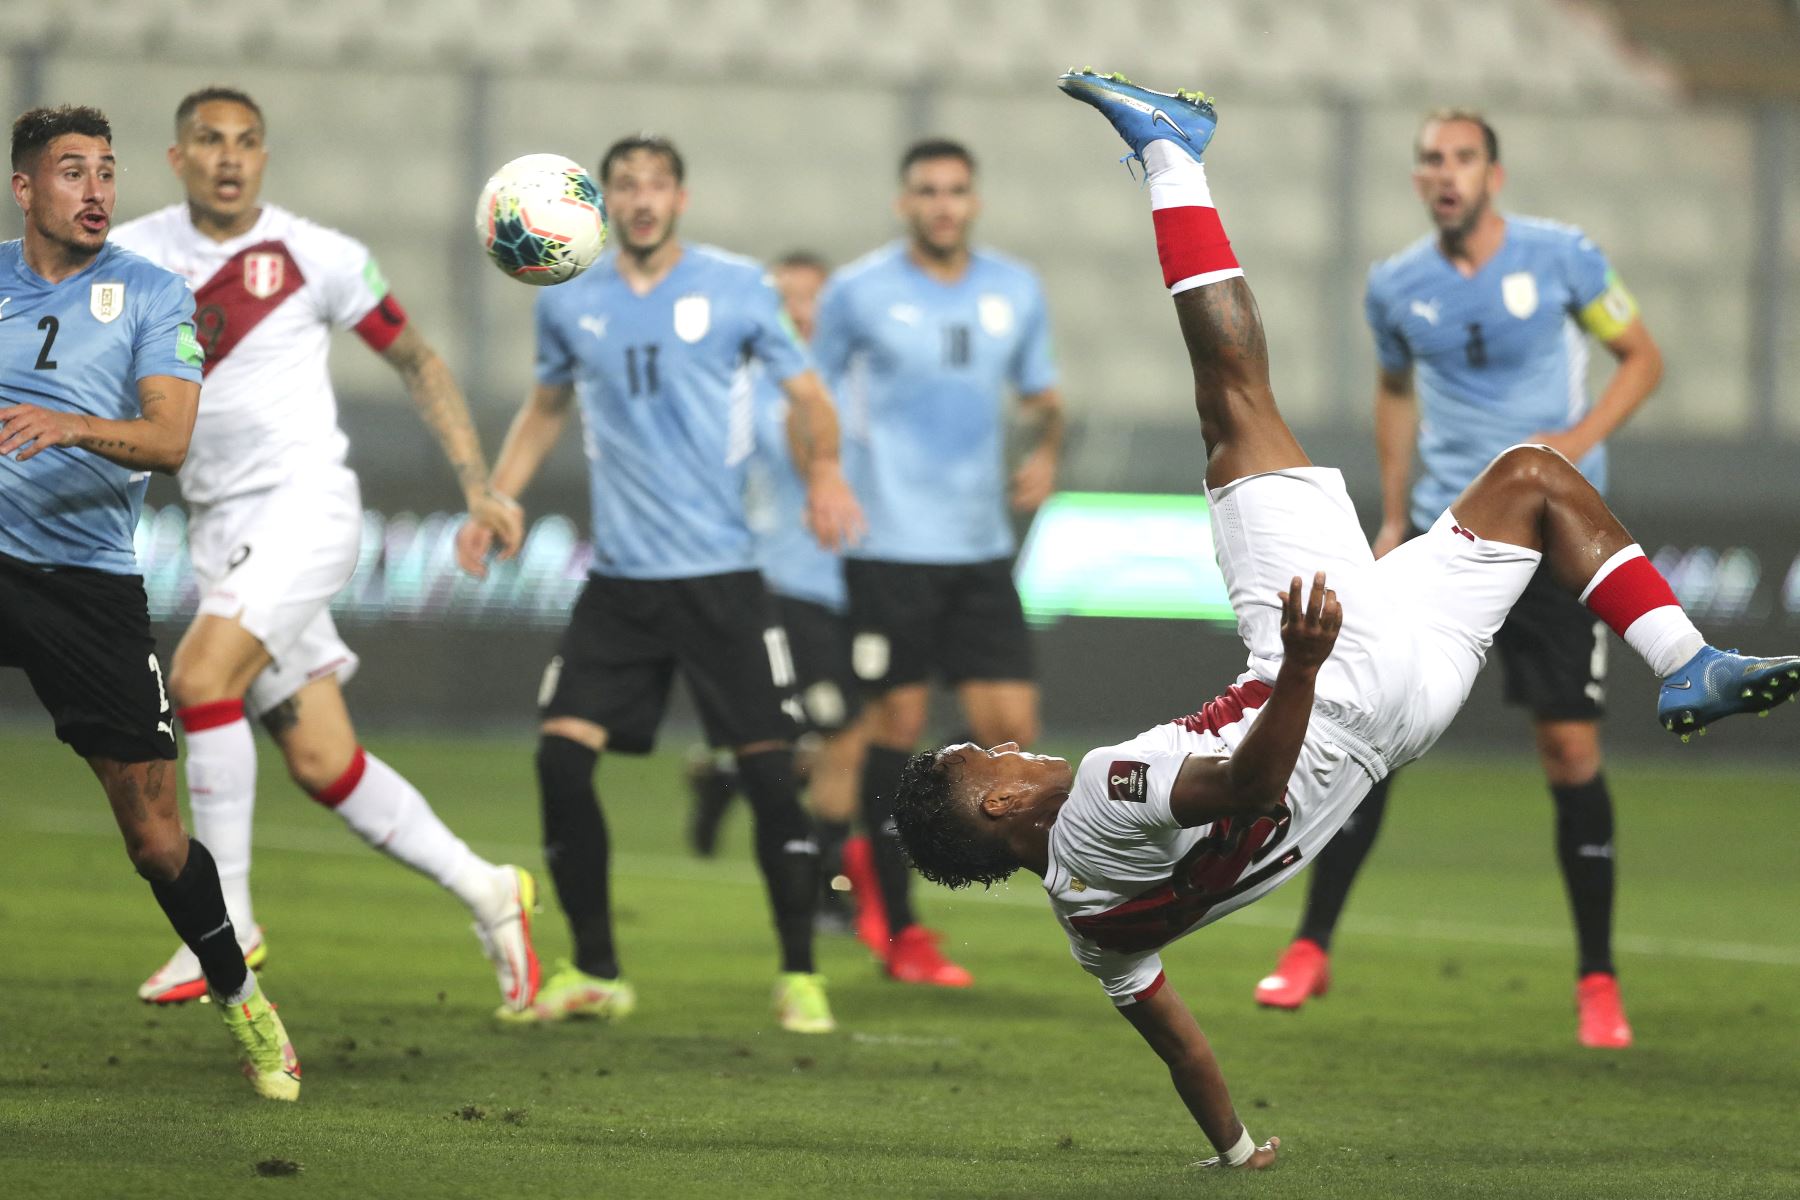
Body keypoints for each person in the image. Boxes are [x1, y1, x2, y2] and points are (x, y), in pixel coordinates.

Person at [891, 71, 1800, 1170]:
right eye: (984, 751)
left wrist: (1230, 1148)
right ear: (992, 796)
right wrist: (1309, 665)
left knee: (1533, 474)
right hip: (1329, 673)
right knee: (1234, 401)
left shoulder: (1089, 935)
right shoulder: (1096, 795)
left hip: (1401, 716)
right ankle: (1171, 155)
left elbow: (1178, 1044)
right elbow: (1244, 787)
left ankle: (1686, 659)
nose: (1008, 745)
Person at [110, 87, 540, 1016]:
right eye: (210, 142)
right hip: (225, 528)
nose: (230, 157)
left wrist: (476, 483)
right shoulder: (134, 255)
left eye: (248, 142)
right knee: (323, 761)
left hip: (306, 509)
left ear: (265, 158)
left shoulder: (321, 256)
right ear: (179, 157)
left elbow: (418, 360)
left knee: (199, 680)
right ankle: (490, 890)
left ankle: (226, 920)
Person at [1252, 108, 1665, 1049]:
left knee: (1568, 753)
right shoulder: (1396, 287)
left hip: (1558, 540)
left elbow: (1642, 357)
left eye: (1463, 158)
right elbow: (1394, 392)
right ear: (1417, 180)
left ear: (1495, 174)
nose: (1447, 174)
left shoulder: (1564, 258)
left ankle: (1597, 979)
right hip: (1448, 541)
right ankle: (1311, 945)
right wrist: (1393, 515)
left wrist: (1575, 447)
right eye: (1432, 160)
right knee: (1371, 731)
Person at [458, 135, 864, 1033]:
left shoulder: (737, 288)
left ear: (681, 197)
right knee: (560, 759)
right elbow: (547, 406)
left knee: (768, 779)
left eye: (657, 185)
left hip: (722, 581)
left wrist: (827, 472)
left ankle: (800, 972)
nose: (642, 200)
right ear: (601, 202)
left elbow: (811, 397)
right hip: (621, 587)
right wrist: (496, 497)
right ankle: (597, 969)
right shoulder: (569, 301)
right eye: (626, 186)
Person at [1, 104, 300, 1099]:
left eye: (107, 171)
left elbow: (169, 441)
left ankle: (240, 997)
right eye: (71, 170)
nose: (95, 190)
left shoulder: (151, 295)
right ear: (25, 189)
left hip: (85, 586)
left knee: (156, 837)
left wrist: (69, 425)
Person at [810, 138, 1063, 987]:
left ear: (975, 200)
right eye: (927, 190)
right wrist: (824, 473)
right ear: (903, 202)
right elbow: (808, 394)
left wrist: (1047, 448)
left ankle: (1061, 894)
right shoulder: (859, 291)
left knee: (1013, 736)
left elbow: (1042, 397)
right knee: (897, 731)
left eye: (957, 189)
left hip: (979, 547)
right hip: (890, 547)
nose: (943, 204)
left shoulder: (1014, 289)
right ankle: (894, 923)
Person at [685, 250, 869, 934]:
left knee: (815, 736)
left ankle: (725, 779)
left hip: (852, 583)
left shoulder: (847, 382)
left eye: (809, 299)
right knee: (844, 733)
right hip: (784, 582)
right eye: (783, 298)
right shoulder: (756, 390)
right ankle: (826, 887)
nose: (797, 312)